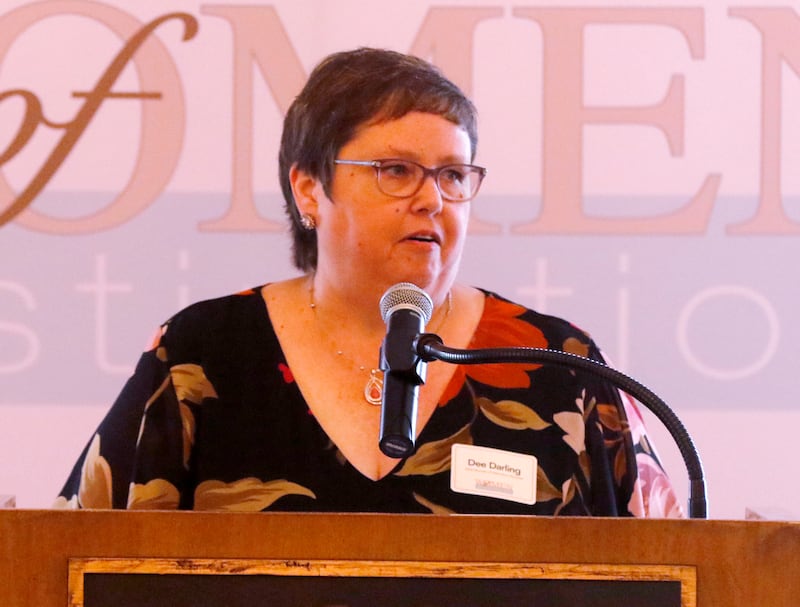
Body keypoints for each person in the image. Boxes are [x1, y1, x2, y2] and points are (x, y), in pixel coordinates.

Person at [55, 47, 682, 517]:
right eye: (395, 170)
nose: (432, 199)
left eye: (453, 175)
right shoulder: (205, 353)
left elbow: (671, 573)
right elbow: (74, 559)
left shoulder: (558, 365)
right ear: (309, 189)